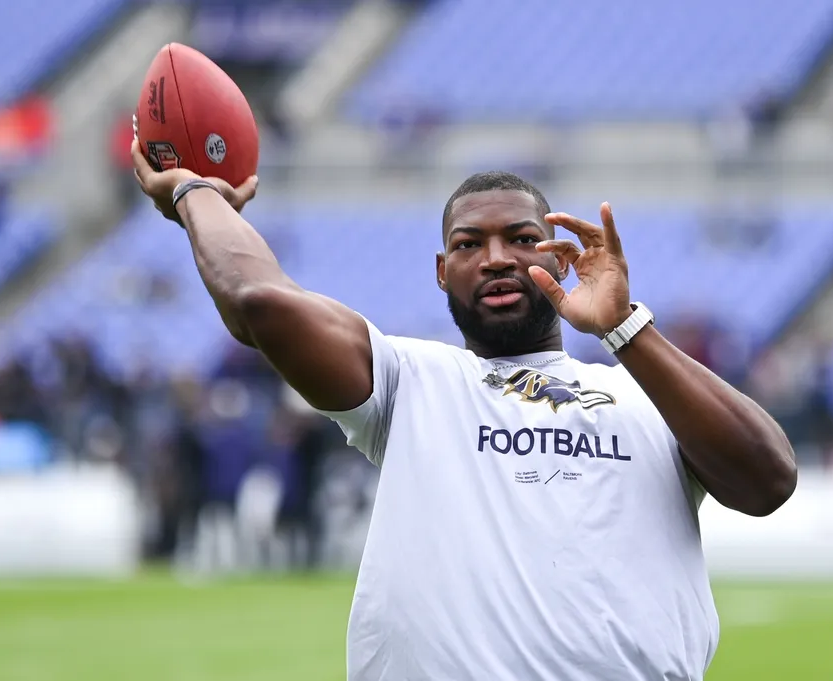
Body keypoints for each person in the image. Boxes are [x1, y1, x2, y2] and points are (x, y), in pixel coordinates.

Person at [130, 139, 797, 680]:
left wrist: (625, 328)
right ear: (441, 271)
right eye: (469, 244)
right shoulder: (407, 380)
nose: (497, 258)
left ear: (562, 259)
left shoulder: (646, 394)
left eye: (522, 238)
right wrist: (197, 192)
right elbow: (259, 300)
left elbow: (768, 480)